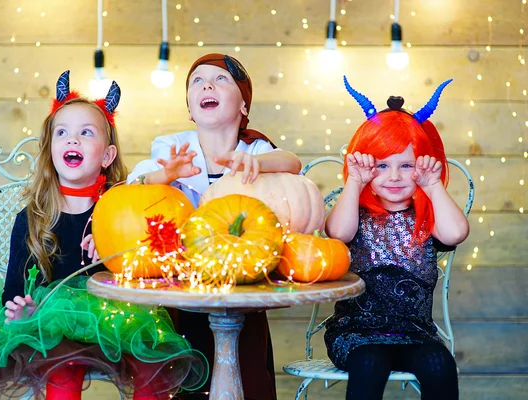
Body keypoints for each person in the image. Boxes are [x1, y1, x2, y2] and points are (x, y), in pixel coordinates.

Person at [0, 70, 206, 400]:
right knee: (63, 366)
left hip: (119, 318)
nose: (72, 140)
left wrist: (165, 177)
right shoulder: (33, 218)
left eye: (86, 133)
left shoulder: (118, 209)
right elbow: (13, 290)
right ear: (51, 149)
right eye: (62, 132)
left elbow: (142, 193)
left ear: (107, 156)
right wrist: (20, 310)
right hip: (53, 322)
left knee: (150, 362)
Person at [126, 54, 302, 400]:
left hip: (241, 284)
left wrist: (256, 162)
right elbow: (132, 187)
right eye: (198, 81)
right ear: (191, 110)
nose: (207, 85)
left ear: (244, 106)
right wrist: (167, 174)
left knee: (246, 371)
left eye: (221, 80)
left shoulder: (255, 148)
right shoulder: (172, 147)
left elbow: (292, 162)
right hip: (181, 287)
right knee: (185, 375)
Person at [323, 77, 470, 400]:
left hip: (415, 334)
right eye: (381, 165)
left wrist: (432, 187)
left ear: (424, 166)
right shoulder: (356, 214)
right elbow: (337, 233)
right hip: (356, 334)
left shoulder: (427, 218)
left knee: (439, 362)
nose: (393, 176)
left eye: (406, 165)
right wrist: (355, 184)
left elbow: (457, 232)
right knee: (371, 363)